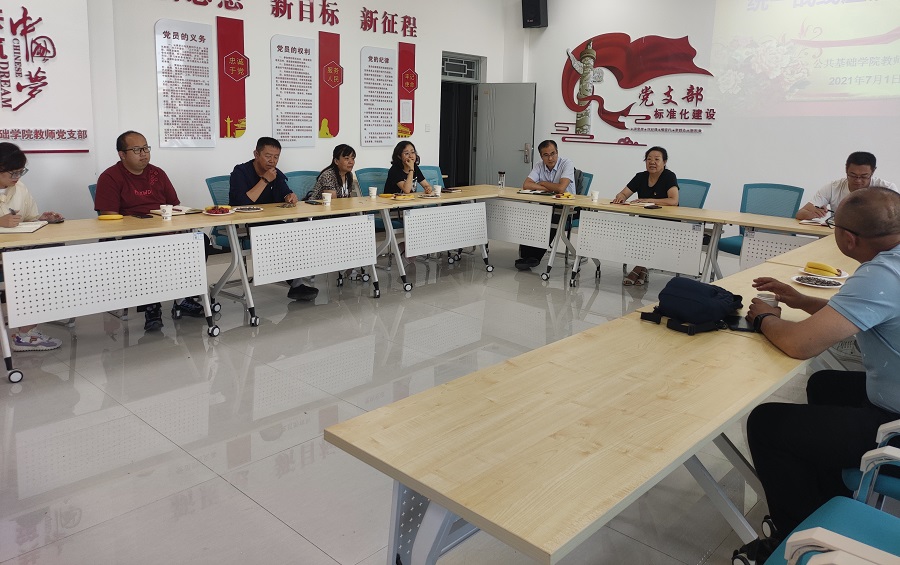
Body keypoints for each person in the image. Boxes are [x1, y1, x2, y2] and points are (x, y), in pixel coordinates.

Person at [740, 186, 900, 562]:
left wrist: (765, 318)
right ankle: (826, 497)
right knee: (825, 384)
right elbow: (863, 313)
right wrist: (801, 301)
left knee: (766, 423)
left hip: (894, 423)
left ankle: (792, 534)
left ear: (848, 238)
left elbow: (799, 344)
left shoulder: (882, 274)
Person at [95, 131, 204, 330]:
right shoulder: (110, 177)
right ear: (122, 154)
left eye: (146, 148)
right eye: (137, 150)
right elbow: (109, 219)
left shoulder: (157, 174)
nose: (144, 153)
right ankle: (151, 304)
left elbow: (174, 207)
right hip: (132, 236)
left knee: (199, 241)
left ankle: (183, 298)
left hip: (164, 231)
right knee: (149, 247)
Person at [0, 143, 65, 351]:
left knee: (53, 251)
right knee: (31, 267)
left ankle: (30, 325)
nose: (18, 177)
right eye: (13, 172)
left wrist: (42, 218)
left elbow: (28, 218)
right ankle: (25, 334)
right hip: (7, 255)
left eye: (21, 171)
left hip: (15, 251)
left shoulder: (19, 187)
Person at [611, 146, 679, 285]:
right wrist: (621, 197)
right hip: (646, 221)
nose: (652, 162)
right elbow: (623, 193)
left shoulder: (669, 176)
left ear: (664, 162)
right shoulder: (640, 177)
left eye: (657, 159)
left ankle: (637, 269)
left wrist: (648, 200)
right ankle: (643, 270)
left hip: (667, 222)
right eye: (649, 159)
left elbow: (674, 201)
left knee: (648, 235)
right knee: (638, 233)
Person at [515, 139, 576, 270]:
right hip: (546, 204)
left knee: (549, 219)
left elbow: (561, 188)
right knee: (529, 216)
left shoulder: (567, 163)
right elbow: (526, 185)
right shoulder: (539, 165)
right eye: (546, 155)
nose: (550, 158)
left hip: (566, 208)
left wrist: (542, 183)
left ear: (557, 152)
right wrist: (551, 188)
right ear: (541, 156)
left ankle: (535, 257)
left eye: (553, 153)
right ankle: (525, 256)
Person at [796, 151, 898, 220]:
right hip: (839, 237)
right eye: (852, 175)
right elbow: (800, 213)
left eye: (864, 176)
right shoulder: (833, 188)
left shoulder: (887, 189)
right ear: (846, 169)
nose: (858, 181)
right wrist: (813, 214)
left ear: (873, 171)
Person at [229, 136, 298, 206]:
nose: (272, 161)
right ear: (256, 154)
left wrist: (289, 197)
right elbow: (241, 203)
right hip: (243, 213)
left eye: (276, 157)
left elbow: (286, 193)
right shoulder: (240, 172)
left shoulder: (276, 173)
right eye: (268, 156)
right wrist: (265, 180)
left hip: (270, 212)